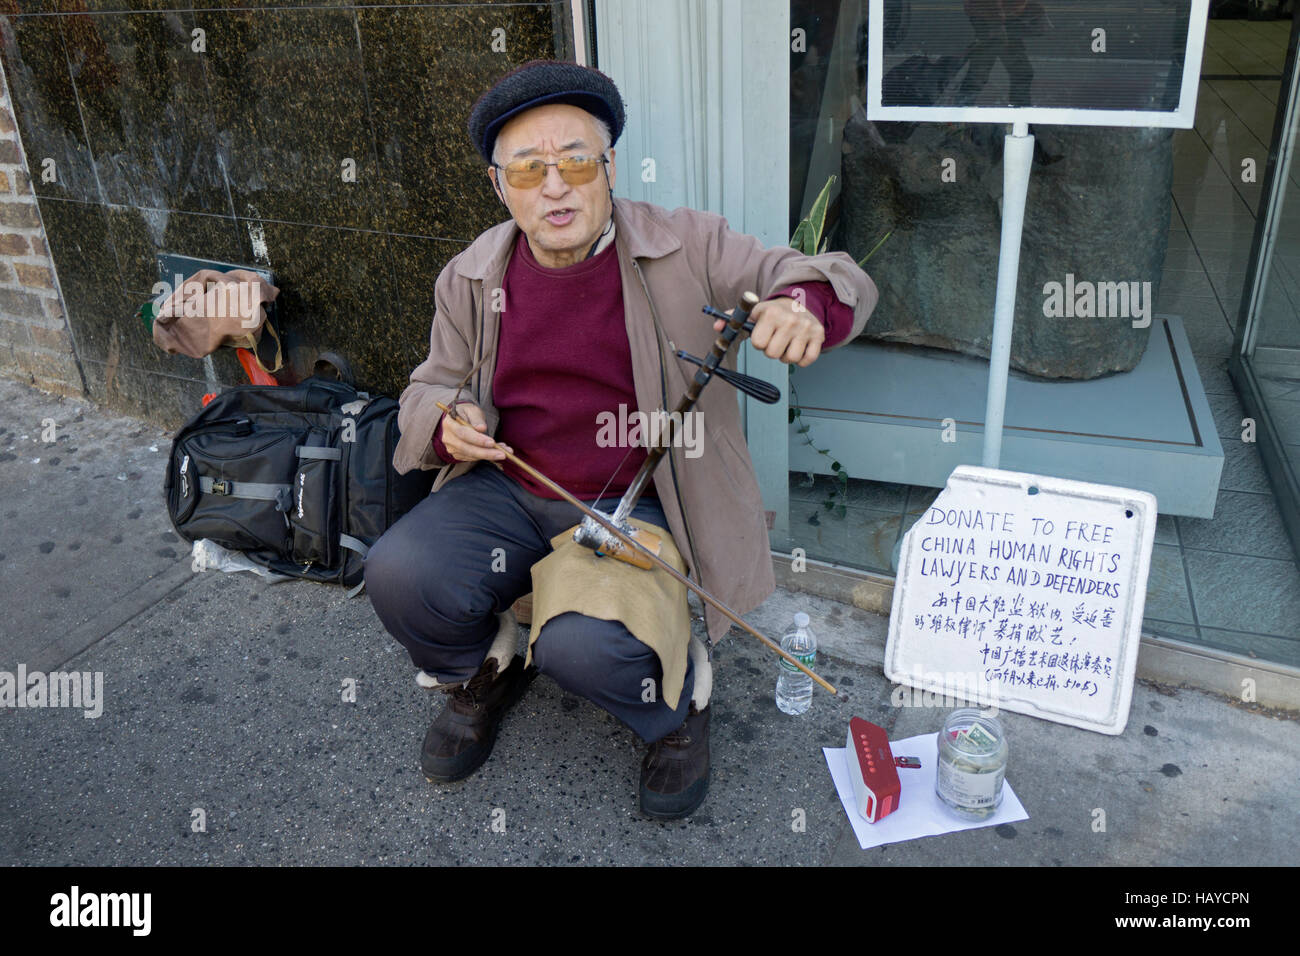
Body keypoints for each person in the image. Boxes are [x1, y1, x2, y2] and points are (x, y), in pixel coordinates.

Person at [364, 60, 878, 819]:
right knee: (400, 572)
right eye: (529, 169)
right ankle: (488, 669)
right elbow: (428, 384)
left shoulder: (686, 245)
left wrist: (801, 306)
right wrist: (445, 420)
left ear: (610, 167)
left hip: (645, 500)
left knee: (585, 649)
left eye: (577, 161)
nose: (556, 186)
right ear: (498, 185)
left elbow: (819, 274)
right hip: (514, 489)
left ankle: (676, 708)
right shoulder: (472, 276)